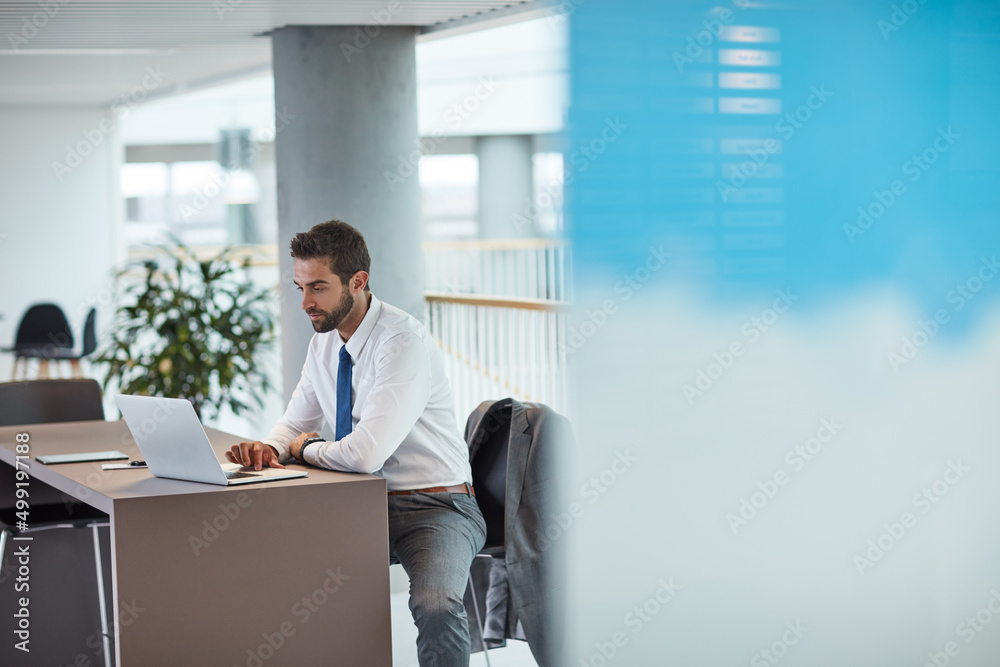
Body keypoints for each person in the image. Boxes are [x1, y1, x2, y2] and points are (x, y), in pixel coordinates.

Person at [226, 220, 486, 667]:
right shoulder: (324, 345)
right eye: (300, 287)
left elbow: (364, 454)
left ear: (358, 282)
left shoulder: (401, 341)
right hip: (357, 503)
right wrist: (270, 449)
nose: (305, 302)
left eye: (318, 288)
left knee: (436, 604)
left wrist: (305, 449)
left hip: (434, 505)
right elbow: (294, 424)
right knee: (278, 577)